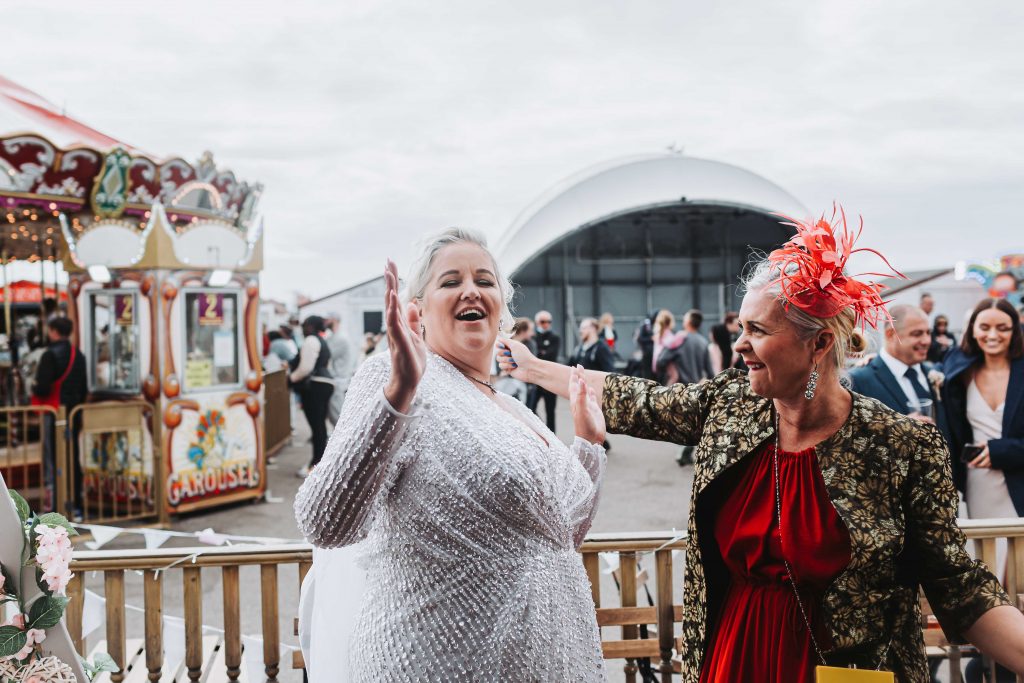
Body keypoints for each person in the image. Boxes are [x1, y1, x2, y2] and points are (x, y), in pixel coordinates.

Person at [499, 208, 1024, 682]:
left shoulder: (901, 446)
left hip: (845, 671)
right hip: (734, 658)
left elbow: (959, 586)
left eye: (757, 330)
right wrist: (531, 367)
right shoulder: (731, 406)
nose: (740, 344)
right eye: (740, 327)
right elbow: (639, 399)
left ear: (818, 344)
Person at [295, 229, 607, 681]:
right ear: (417, 311)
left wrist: (589, 444)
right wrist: (398, 392)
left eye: (484, 279)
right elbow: (325, 522)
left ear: (502, 307)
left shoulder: (516, 409)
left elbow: (563, 535)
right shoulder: (396, 376)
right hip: (433, 663)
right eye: (450, 281)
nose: (470, 290)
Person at [942, 298, 1024, 571]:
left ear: (1014, 331)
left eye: (1003, 328)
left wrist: (1003, 451)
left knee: (1018, 563)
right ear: (972, 330)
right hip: (979, 482)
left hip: (1019, 477)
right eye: (985, 326)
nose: (992, 335)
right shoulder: (958, 372)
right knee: (987, 560)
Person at [32, 317, 87, 518]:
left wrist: (34, 387)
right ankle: (76, 504)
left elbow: (43, 387)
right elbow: (84, 388)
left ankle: (55, 506)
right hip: (73, 413)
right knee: (72, 458)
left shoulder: (49, 355)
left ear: (53, 331)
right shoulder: (78, 355)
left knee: (53, 460)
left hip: (54, 414)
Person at [849, 304, 939, 417]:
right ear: (890, 334)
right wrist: (900, 431)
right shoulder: (858, 381)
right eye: (917, 334)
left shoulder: (935, 372)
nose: (926, 341)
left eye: (928, 333)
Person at [290, 316, 334, 477]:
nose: (302, 328)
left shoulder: (310, 340)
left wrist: (291, 378)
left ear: (310, 326)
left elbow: (306, 367)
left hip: (315, 385)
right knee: (320, 426)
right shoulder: (323, 341)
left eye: (304, 325)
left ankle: (316, 465)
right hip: (326, 383)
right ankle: (319, 463)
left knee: (317, 428)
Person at [526, 310, 560, 431]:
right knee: (530, 408)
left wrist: (540, 353)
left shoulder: (555, 338)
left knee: (550, 411)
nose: (546, 324)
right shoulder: (532, 337)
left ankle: (553, 439)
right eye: (542, 321)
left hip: (550, 379)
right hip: (535, 380)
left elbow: (551, 355)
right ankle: (541, 430)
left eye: (548, 322)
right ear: (537, 322)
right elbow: (533, 356)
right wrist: (541, 353)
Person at [324, 314, 355, 428]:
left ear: (335, 320)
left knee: (338, 419)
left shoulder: (340, 338)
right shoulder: (334, 336)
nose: (326, 322)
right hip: (336, 380)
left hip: (338, 381)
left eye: (328, 319)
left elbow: (326, 355)